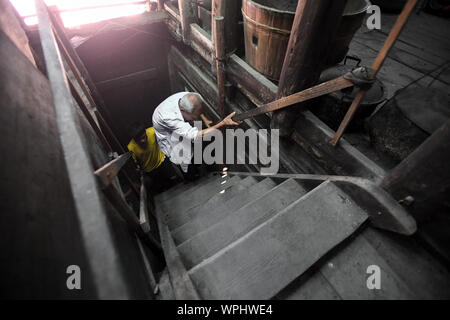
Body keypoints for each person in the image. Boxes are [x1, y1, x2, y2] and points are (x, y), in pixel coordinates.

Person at [152, 92, 240, 180]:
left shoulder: (189, 97)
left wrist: (205, 119)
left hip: (181, 127)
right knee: (185, 163)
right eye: (194, 117)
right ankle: (191, 178)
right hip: (171, 138)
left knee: (195, 150)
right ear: (182, 111)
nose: (197, 119)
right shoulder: (168, 117)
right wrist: (223, 123)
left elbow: (198, 108)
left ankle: (199, 167)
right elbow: (194, 136)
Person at [127, 122, 178, 194]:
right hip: (149, 170)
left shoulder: (153, 132)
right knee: (161, 190)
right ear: (134, 140)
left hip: (161, 160)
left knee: (174, 179)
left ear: (145, 132)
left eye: (143, 137)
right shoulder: (131, 147)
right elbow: (135, 164)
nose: (143, 141)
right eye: (139, 140)